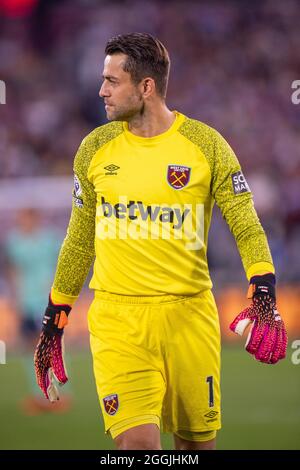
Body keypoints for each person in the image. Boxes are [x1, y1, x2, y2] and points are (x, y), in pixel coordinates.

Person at [34, 33, 287, 450]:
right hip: (119, 321)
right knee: (138, 448)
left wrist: (263, 289)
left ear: (145, 87)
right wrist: (54, 318)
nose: (101, 90)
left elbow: (246, 223)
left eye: (112, 81)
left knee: (196, 449)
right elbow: (79, 240)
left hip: (189, 318)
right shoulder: (93, 148)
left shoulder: (207, 145)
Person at [5, 208, 72, 414]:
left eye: (27, 218)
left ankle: (61, 392)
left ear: (36, 219)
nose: (24, 222)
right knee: (30, 346)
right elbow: (13, 270)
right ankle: (41, 393)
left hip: (46, 299)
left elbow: (64, 263)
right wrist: (15, 297)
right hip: (26, 299)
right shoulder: (14, 241)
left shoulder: (49, 239)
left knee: (50, 343)